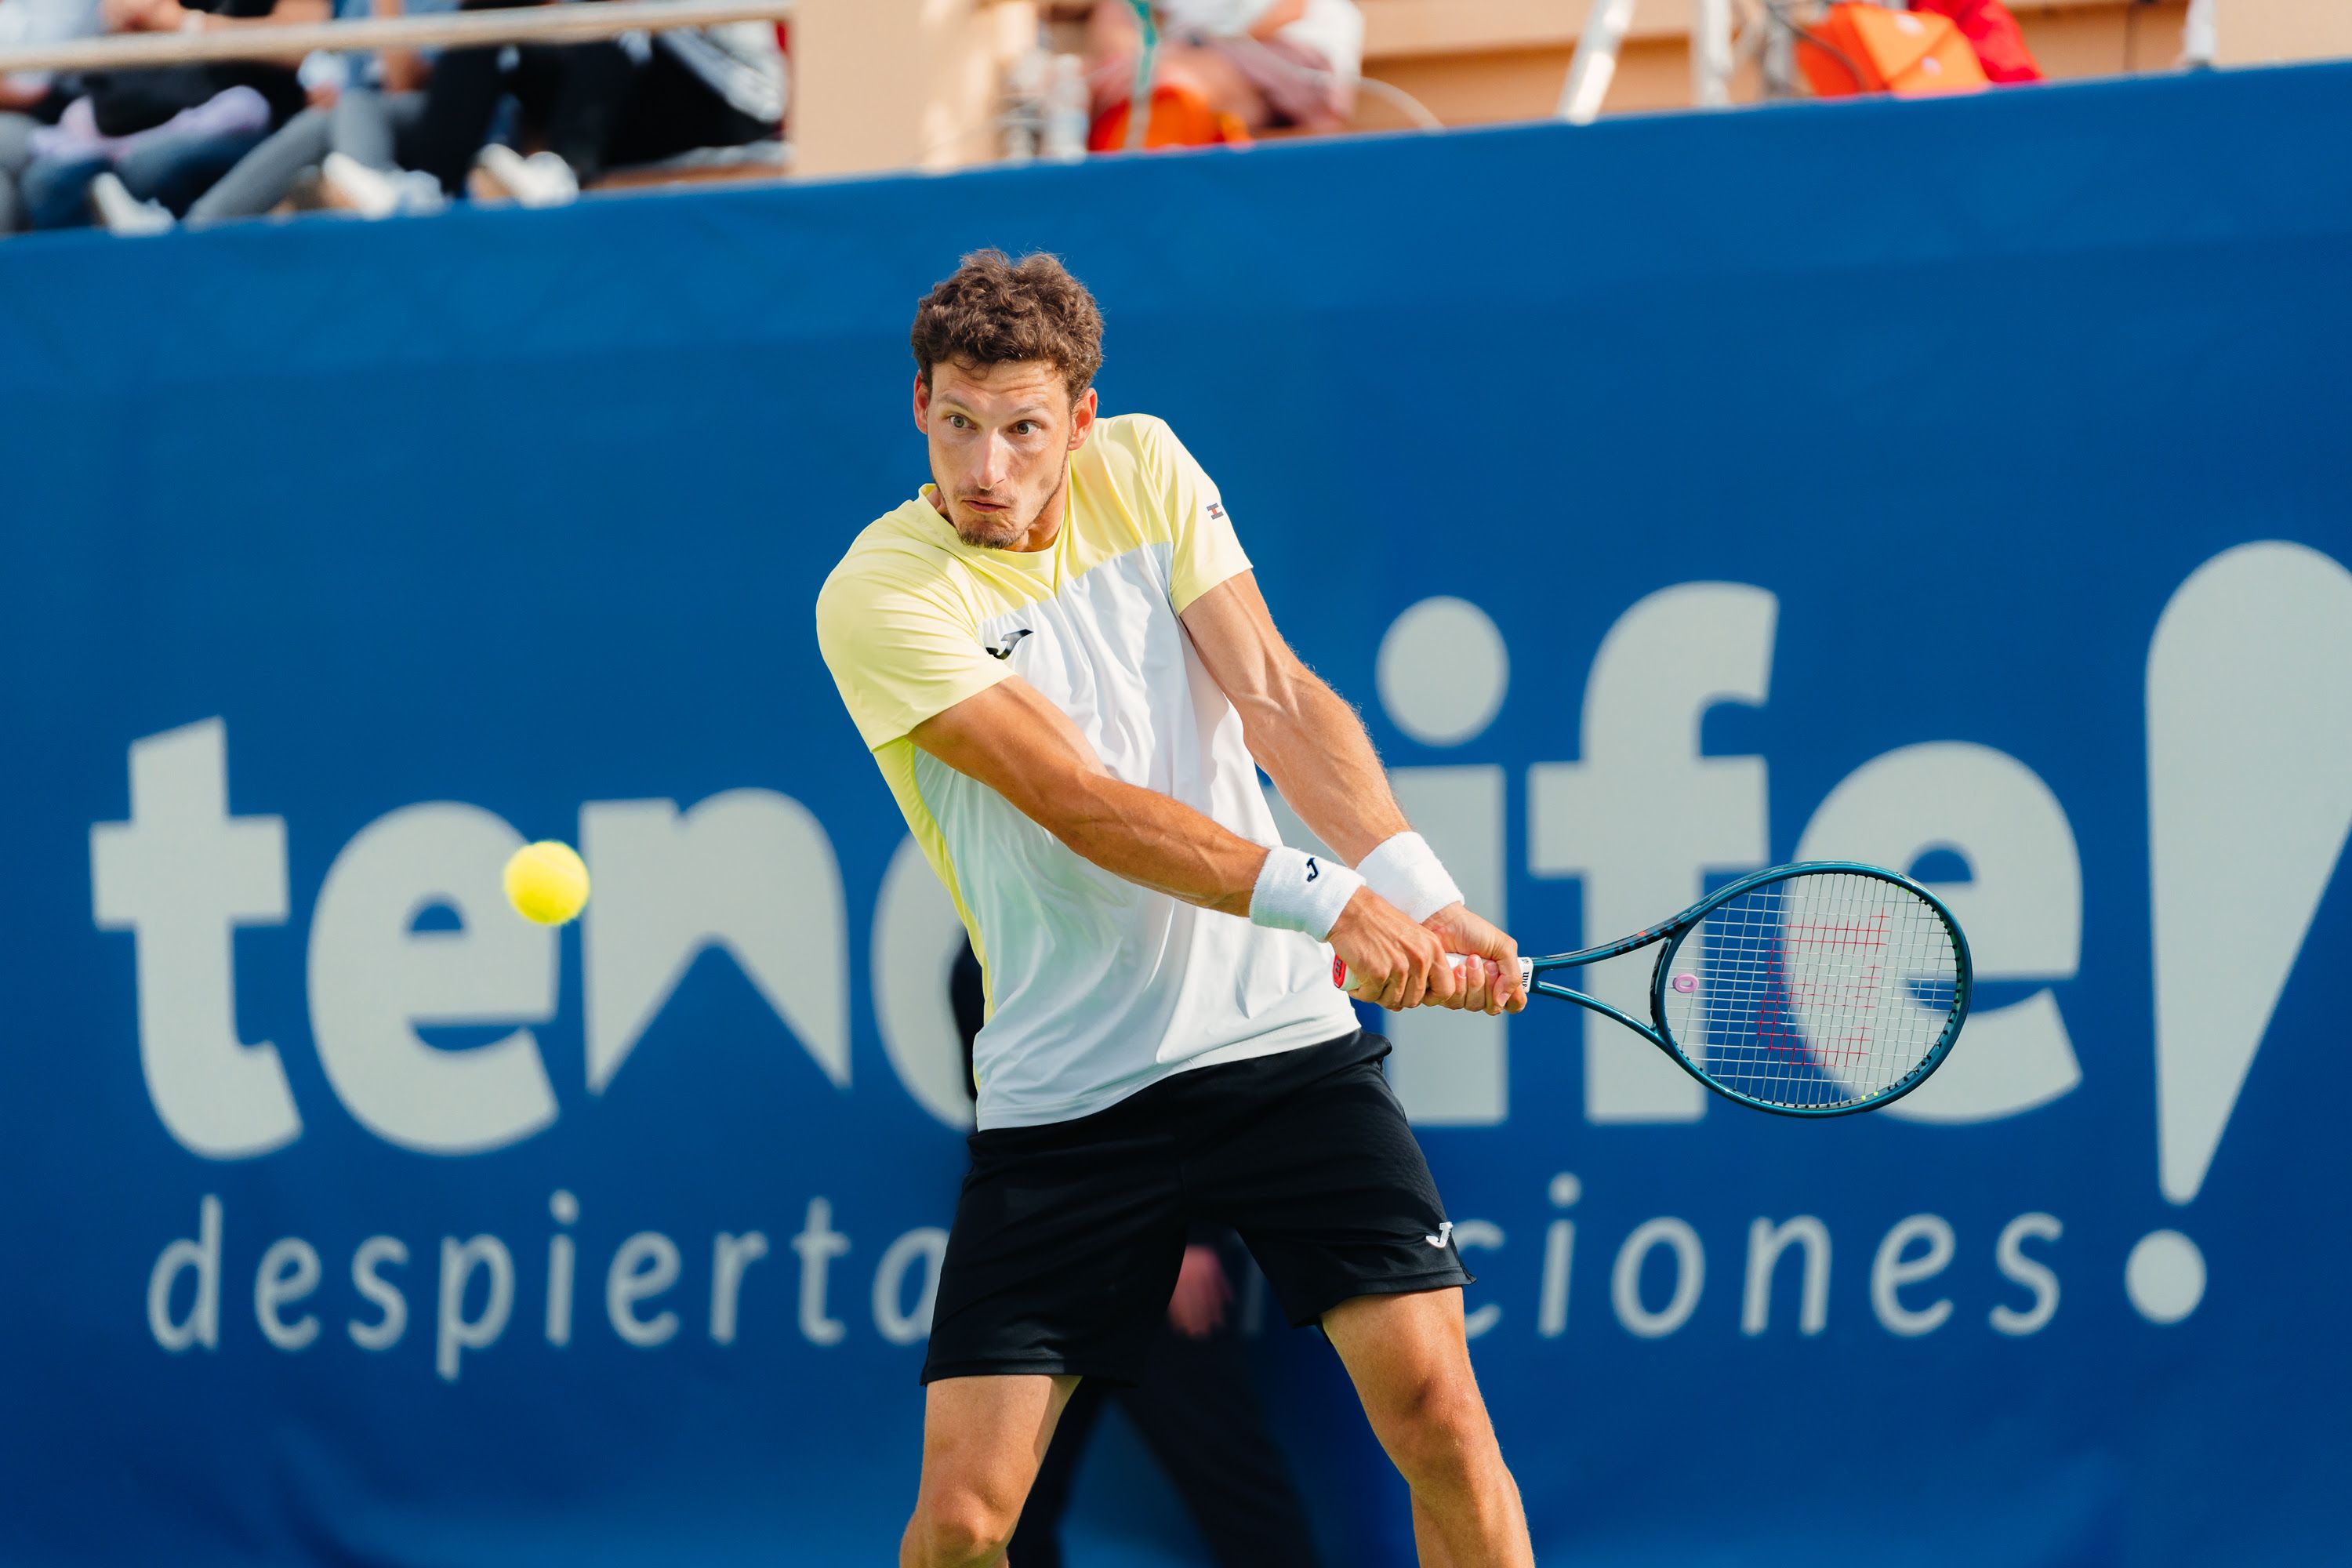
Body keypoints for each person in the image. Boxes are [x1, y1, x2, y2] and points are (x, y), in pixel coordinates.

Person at [815, 249, 1537, 1568]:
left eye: (1024, 428)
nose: (989, 466)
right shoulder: (879, 596)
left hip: (1281, 1058)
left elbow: (1274, 697)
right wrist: (1326, 903)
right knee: (971, 1522)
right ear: (920, 404)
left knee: (1443, 1418)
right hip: (1067, 1098)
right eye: (961, 424)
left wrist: (1421, 894)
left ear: (1080, 420)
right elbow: (1078, 800)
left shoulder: (1147, 468)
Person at [948, 943, 1325, 1568]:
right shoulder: (975, 964)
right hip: (1045, 1265)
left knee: (1235, 1490)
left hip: (1153, 1263)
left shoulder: (1148, 935)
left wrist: (1186, 1234)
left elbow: (1202, 1087)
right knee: (1004, 1513)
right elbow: (1002, 1118)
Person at [1086, 0, 1363, 141]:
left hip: (1290, 49)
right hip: (1188, 63)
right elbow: (1118, 21)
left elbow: (1287, 10)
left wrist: (1172, 59)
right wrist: (1130, 67)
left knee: (1170, 89)